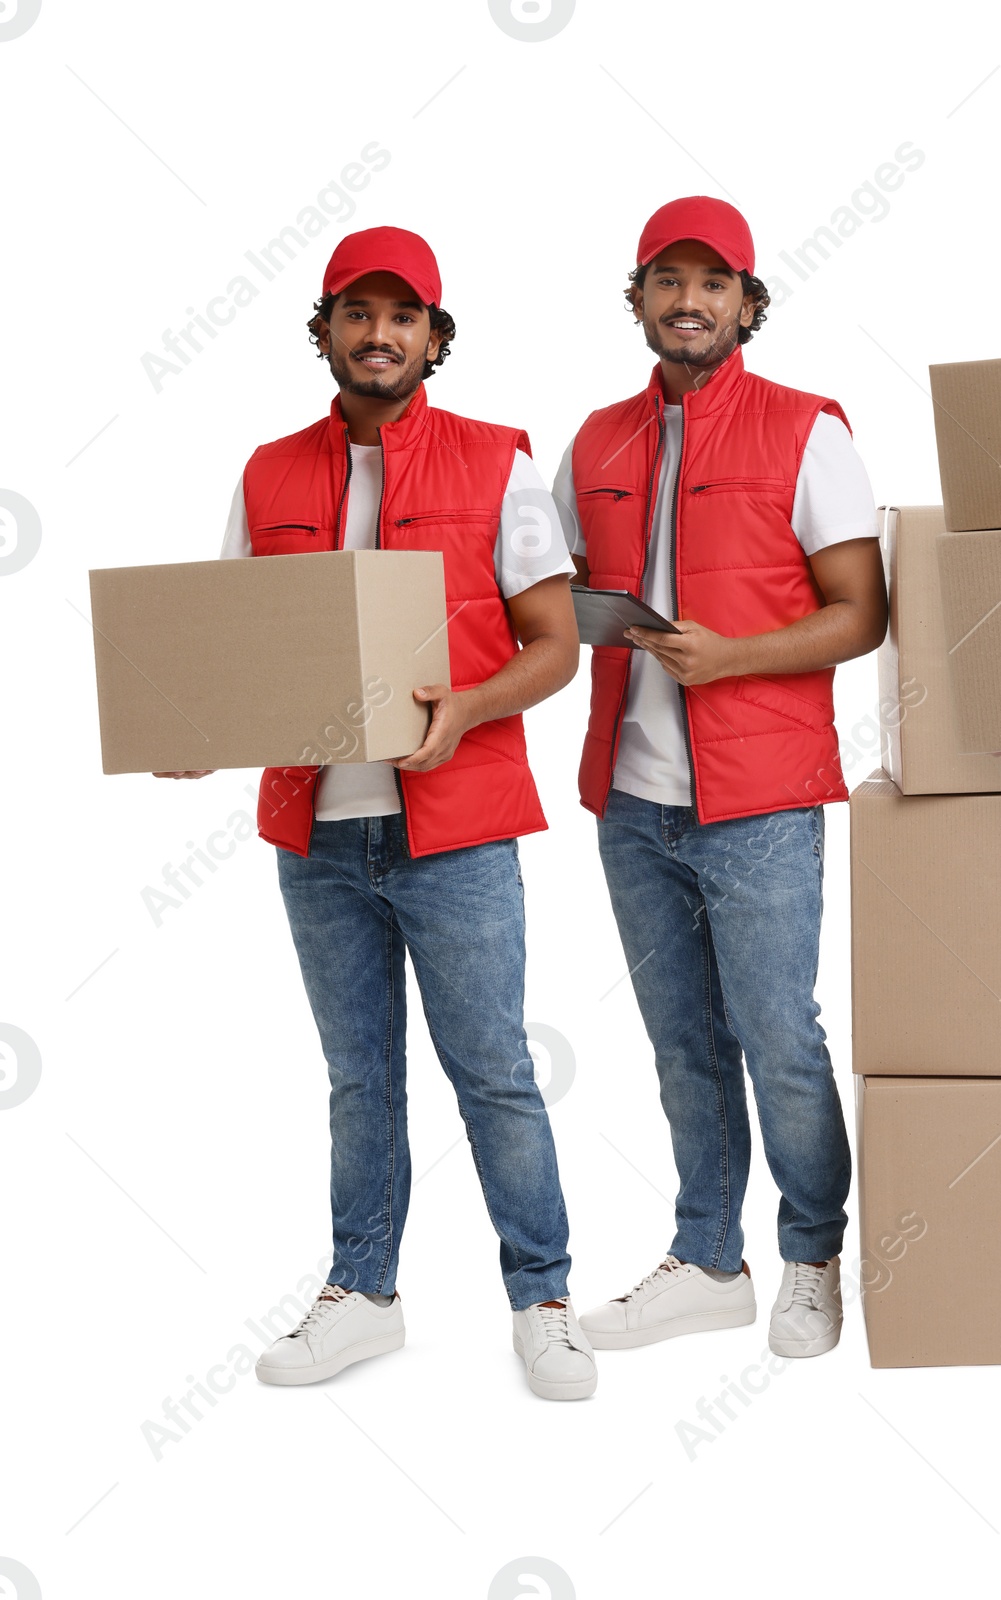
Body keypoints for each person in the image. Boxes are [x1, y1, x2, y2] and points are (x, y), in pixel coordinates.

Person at [156, 226, 596, 1400]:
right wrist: (193, 729)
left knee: (493, 1068)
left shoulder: (500, 464)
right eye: (358, 311)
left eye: (404, 316)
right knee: (360, 1075)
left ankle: (543, 1297)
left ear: (435, 339)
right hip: (321, 834)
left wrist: (468, 706)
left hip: (457, 823)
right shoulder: (266, 474)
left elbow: (553, 648)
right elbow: (234, 652)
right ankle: (364, 1292)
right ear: (325, 332)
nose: (380, 333)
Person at [554, 197, 886, 1359]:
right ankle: (707, 1256)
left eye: (713, 283)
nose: (688, 301)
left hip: (761, 800)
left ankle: (812, 1256)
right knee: (682, 1039)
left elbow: (864, 613)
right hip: (634, 800)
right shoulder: (595, 440)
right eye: (666, 280)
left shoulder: (808, 432)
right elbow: (543, 601)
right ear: (639, 297)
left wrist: (733, 655)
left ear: (748, 304)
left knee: (776, 1032)